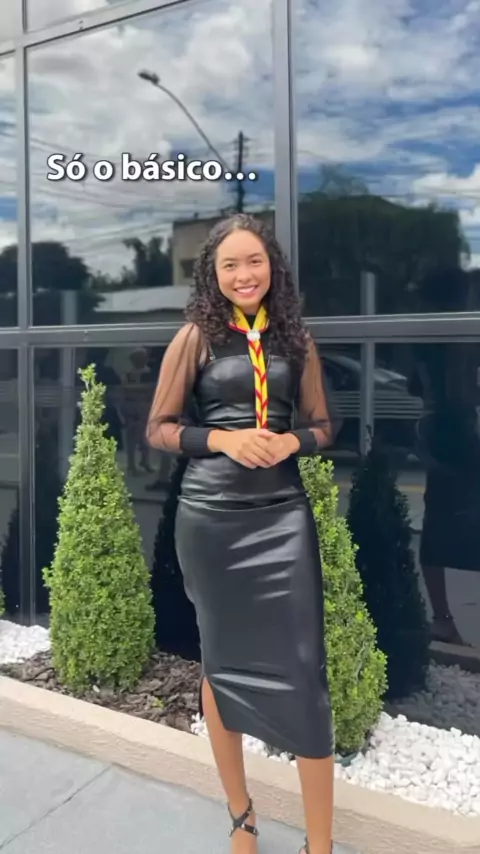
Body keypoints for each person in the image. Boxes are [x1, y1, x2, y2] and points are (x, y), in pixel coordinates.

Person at [146, 213, 338, 854]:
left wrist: (291, 441)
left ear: (271, 266)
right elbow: (160, 428)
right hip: (212, 519)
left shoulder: (296, 339)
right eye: (229, 264)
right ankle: (242, 816)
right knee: (221, 664)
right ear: (214, 273)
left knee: (305, 674)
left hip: (282, 517)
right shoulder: (195, 338)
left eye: (254, 261)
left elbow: (323, 427)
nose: (244, 274)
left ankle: (319, 844)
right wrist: (223, 439)